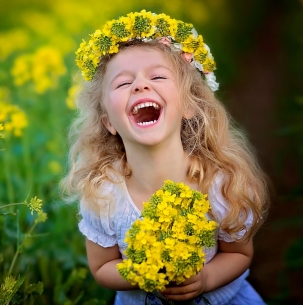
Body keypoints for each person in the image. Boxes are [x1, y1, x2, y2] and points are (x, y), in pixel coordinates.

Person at [61, 10, 270, 305]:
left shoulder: (219, 182)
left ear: (188, 105)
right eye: (122, 83)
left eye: (158, 76)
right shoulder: (104, 193)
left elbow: (238, 254)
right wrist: (142, 272)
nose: (140, 85)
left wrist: (206, 279)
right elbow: (101, 267)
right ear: (107, 120)